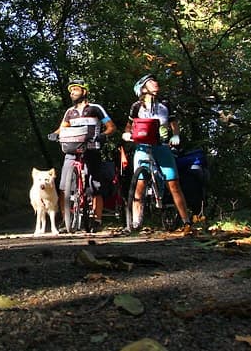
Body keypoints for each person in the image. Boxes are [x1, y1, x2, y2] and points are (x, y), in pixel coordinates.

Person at [121, 73, 193, 231]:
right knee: (139, 184)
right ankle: (134, 223)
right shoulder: (136, 107)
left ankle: (186, 221)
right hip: (142, 146)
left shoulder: (165, 104)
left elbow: (173, 123)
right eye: (151, 81)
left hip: (162, 147)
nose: (156, 83)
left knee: (173, 184)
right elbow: (129, 125)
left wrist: (175, 135)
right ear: (143, 88)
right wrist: (127, 133)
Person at [50, 78, 117, 232]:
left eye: (76, 89)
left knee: (95, 187)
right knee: (63, 187)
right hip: (72, 150)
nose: (72, 92)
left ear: (84, 91)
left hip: (92, 149)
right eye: (71, 90)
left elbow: (111, 126)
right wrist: (54, 134)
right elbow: (62, 128)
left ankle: (97, 220)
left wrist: (104, 135)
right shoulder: (70, 112)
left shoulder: (95, 109)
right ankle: (66, 219)